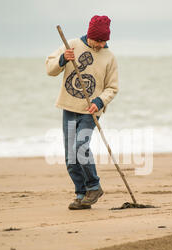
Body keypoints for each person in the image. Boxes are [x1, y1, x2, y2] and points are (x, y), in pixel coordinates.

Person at [45, 15, 119, 210]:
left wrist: (99, 101)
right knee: (70, 157)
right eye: (98, 41)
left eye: (105, 41)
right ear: (90, 35)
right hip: (69, 108)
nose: (101, 45)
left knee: (80, 146)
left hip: (90, 111)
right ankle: (81, 194)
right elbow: (49, 68)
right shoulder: (72, 45)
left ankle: (94, 186)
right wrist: (63, 59)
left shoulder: (109, 57)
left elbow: (112, 88)